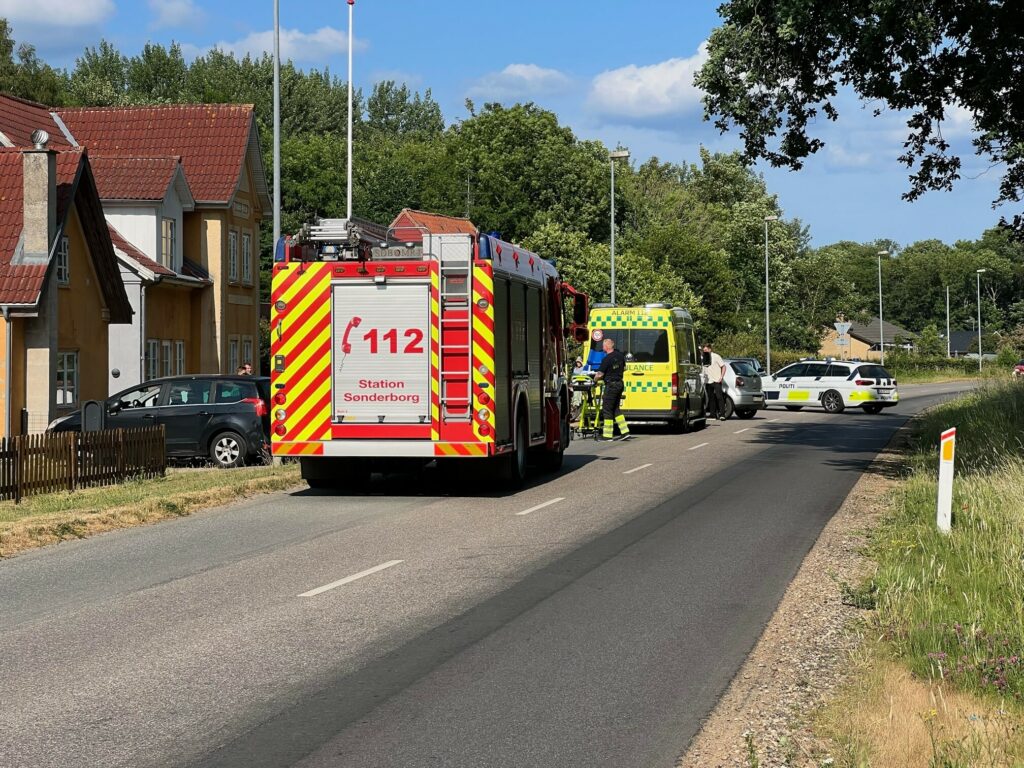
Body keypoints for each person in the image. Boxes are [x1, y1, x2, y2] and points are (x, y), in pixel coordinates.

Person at [593, 337, 632, 441]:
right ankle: (625, 432)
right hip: (619, 384)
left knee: (607, 409)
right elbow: (624, 368)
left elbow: (600, 374)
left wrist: (594, 380)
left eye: (603, 346)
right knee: (616, 408)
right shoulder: (620, 356)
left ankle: (607, 435)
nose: (603, 348)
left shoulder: (606, 359)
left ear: (606, 346)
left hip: (611, 385)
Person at [702, 343, 727, 421]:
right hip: (708, 381)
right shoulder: (703, 358)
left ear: (710, 349)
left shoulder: (716, 356)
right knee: (710, 398)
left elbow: (723, 366)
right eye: (704, 350)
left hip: (716, 379)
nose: (705, 351)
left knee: (719, 397)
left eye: (706, 350)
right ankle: (713, 414)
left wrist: (721, 377)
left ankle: (722, 414)